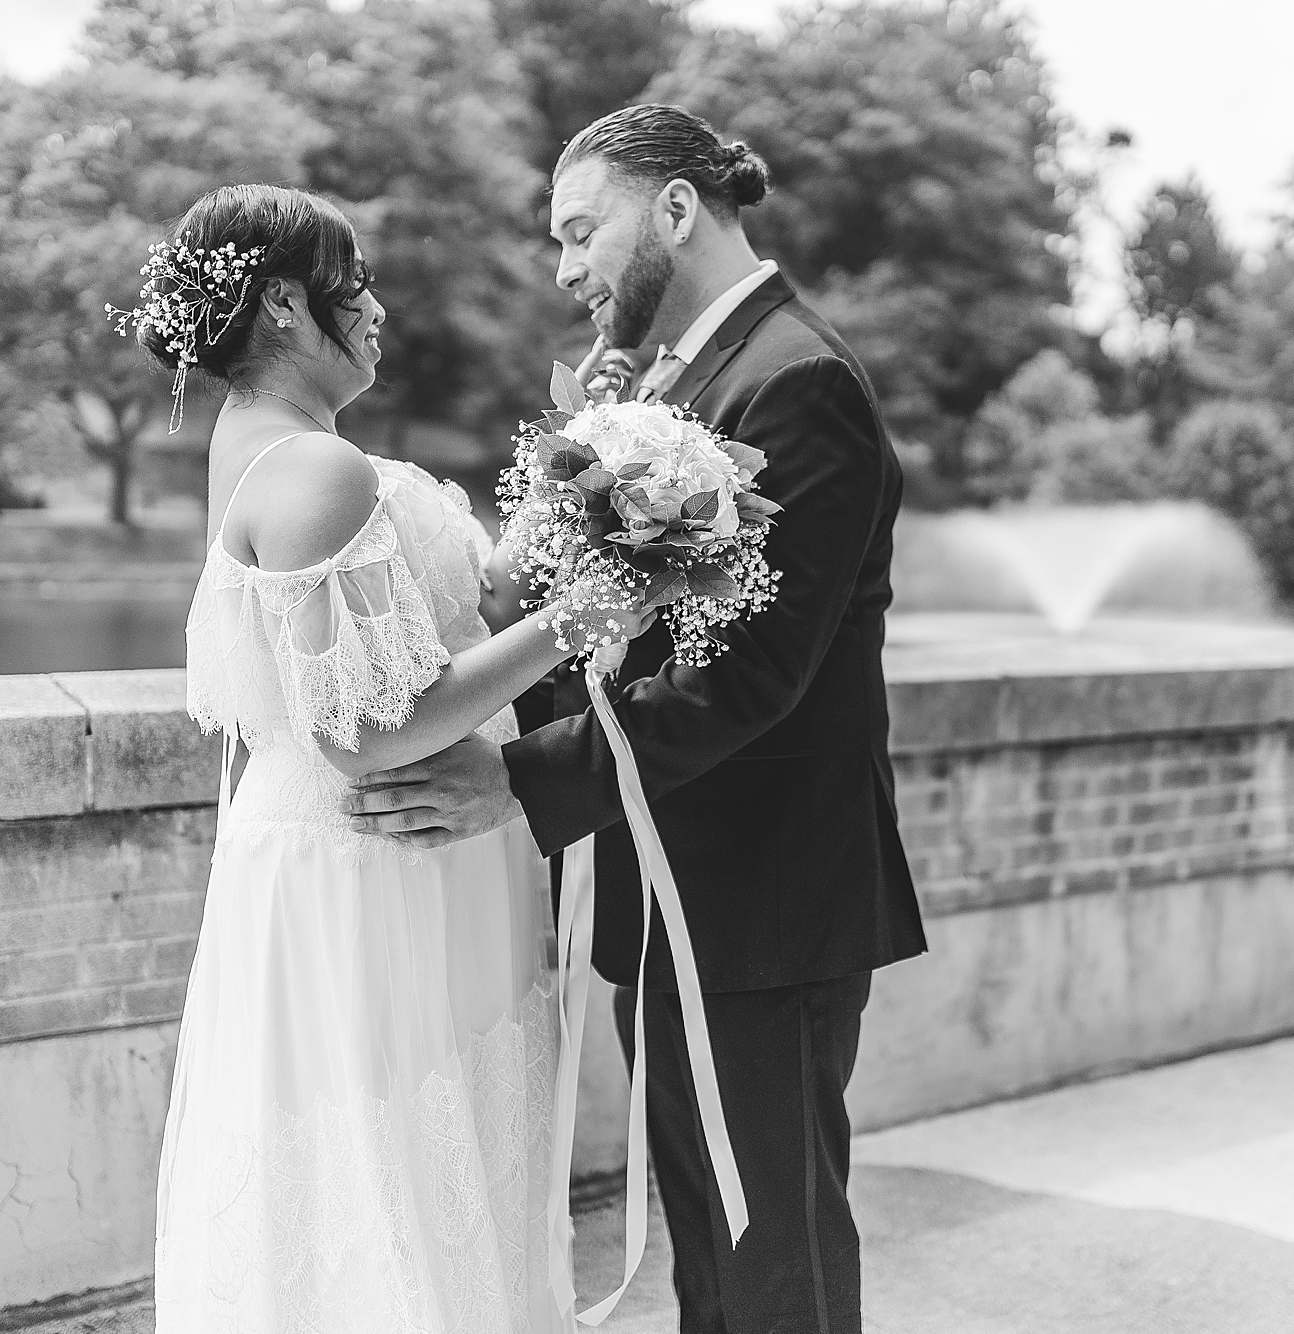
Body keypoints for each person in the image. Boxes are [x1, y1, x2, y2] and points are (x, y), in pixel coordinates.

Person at [347, 106, 928, 1334]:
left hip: (761, 898)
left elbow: (753, 670)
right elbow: (617, 617)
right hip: (671, 888)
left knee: (771, 1253)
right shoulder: (682, 381)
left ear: (673, 209)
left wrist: (515, 780)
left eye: (579, 230)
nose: (564, 268)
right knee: (708, 1255)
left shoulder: (798, 378)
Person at [142, 183, 644, 1333]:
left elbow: (460, 608)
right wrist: (588, 615)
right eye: (353, 283)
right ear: (281, 303)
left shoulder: (277, 448)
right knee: (398, 1186)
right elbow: (367, 732)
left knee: (426, 1175)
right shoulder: (316, 470)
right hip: (374, 863)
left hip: (388, 856)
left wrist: (590, 462)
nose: (374, 307)